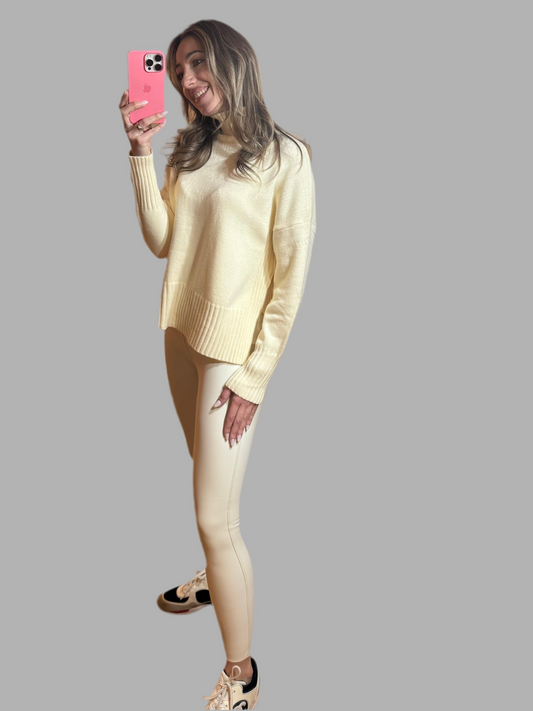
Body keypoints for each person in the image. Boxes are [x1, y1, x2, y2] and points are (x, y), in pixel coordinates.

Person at [118, 19, 316, 710]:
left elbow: (289, 281)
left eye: (198, 62)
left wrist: (254, 378)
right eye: (176, 70)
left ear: (233, 62)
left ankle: (242, 673)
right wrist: (139, 153)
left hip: (231, 356)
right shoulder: (190, 148)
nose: (186, 79)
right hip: (180, 336)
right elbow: (162, 241)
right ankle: (215, 577)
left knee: (214, 517)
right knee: (206, 482)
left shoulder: (286, 157)